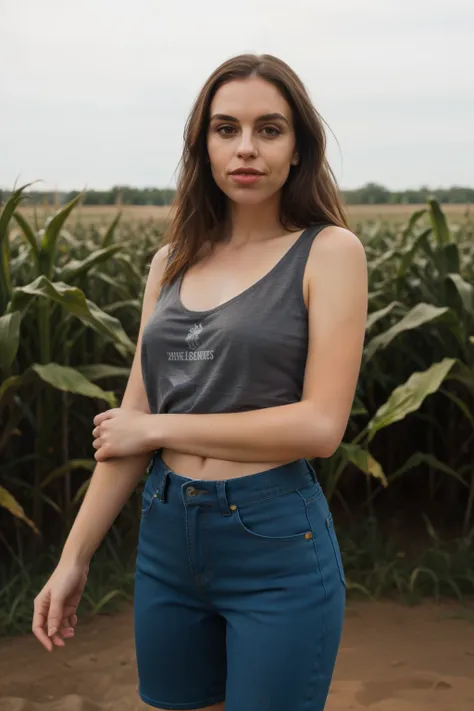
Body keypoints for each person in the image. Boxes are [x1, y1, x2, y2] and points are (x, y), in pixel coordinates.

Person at [32, 53, 368, 711]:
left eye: (269, 129)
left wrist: (159, 427)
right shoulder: (172, 261)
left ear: (299, 147)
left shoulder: (328, 252)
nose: (247, 148)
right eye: (226, 129)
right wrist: (74, 556)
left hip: (275, 543)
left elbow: (320, 426)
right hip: (165, 541)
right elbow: (130, 422)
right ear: (203, 145)